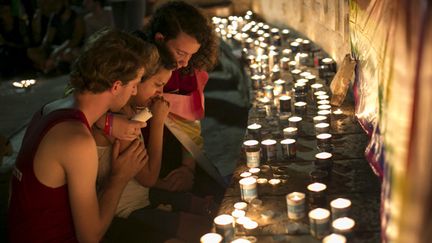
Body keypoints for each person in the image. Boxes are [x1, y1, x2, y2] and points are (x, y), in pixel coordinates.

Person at [7, 29, 159, 243]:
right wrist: (118, 179)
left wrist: (108, 123)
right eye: (134, 85)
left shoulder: (49, 110)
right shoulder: (78, 141)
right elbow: (90, 236)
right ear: (116, 86)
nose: (134, 92)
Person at [94, 37, 213, 242]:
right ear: (135, 81)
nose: (161, 93)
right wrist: (157, 122)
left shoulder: (128, 111)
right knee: (199, 230)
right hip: (126, 212)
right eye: (158, 85)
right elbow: (147, 177)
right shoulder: (120, 122)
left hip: (142, 198)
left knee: (206, 208)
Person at [27, 0, 85, 73]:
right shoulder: (55, 17)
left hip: (72, 47)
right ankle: (49, 66)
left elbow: (76, 39)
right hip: (58, 47)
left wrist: (57, 51)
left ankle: (53, 66)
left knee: (68, 54)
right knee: (32, 52)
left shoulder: (77, 16)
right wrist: (42, 48)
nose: (54, 6)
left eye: (56, 3)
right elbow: (48, 37)